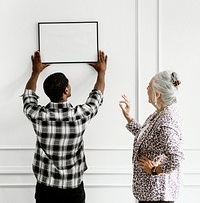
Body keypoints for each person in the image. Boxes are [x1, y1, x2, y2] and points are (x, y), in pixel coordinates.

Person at [22, 50, 107, 203]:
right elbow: (97, 95)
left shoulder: (37, 115)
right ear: (66, 91)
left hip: (45, 187)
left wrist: (35, 72)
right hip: (73, 187)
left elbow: (28, 96)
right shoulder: (80, 115)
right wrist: (101, 72)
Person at [119, 70, 184, 203]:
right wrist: (129, 118)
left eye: (149, 86)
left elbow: (176, 158)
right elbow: (147, 137)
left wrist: (155, 170)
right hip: (150, 192)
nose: (146, 88)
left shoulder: (166, 122)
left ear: (157, 94)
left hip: (158, 194)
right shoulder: (159, 113)